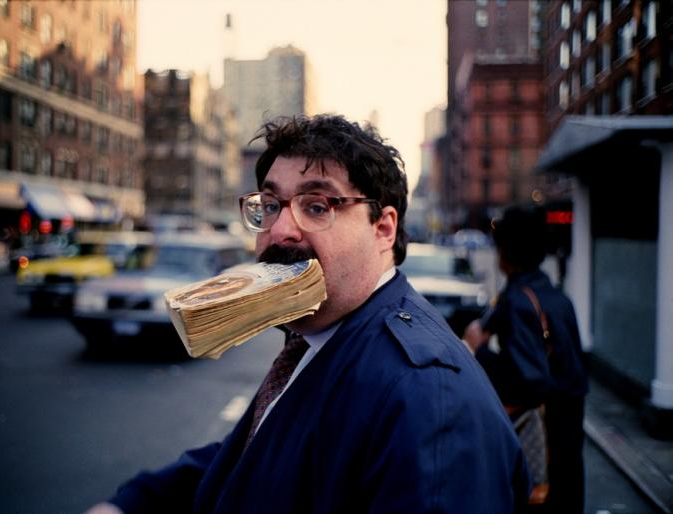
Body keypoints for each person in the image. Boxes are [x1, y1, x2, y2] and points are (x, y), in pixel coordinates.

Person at [86, 114, 529, 514]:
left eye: (317, 206)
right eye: (272, 205)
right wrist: (132, 504)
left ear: (383, 229)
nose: (279, 230)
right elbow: (256, 456)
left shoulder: (429, 398)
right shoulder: (317, 334)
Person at [463, 205, 588, 513]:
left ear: (505, 251)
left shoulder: (519, 302)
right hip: (567, 433)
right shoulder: (557, 297)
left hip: (540, 438)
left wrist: (476, 349)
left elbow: (528, 379)